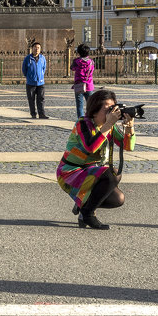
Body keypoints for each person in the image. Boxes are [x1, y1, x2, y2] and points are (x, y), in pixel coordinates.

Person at [56, 89, 136, 230]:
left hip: (93, 173)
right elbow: (91, 147)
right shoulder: (83, 123)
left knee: (118, 199)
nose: (111, 113)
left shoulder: (109, 127)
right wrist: (108, 125)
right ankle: (87, 213)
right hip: (71, 172)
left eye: (113, 108)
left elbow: (128, 146)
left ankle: (84, 204)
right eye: (107, 109)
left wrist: (130, 127)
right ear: (94, 110)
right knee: (113, 173)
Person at [22, 42, 48, 119]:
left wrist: (41, 76)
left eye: (38, 48)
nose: (36, 49)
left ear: (40, 49)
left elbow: (44, 68)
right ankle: (33, 114)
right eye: (35, 47)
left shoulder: (42, 58)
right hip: (31, 82)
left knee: (41, 99)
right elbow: (24, 69)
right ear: (32, 48)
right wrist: (29, 77)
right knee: (31, 99)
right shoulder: (27, 58)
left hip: (40, 82)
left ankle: (41, 114)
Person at [71, 43, 96, 119]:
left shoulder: (76, 61)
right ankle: (91, 119)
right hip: (89, 85)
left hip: (79, 85)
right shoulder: (91, 62)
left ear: (79, 52)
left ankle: (81, 121)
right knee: (91, 105)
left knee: (79, 105)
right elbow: (92, 70)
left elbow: (72, 68)